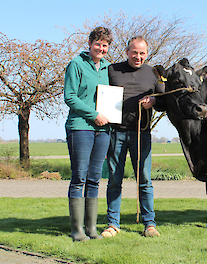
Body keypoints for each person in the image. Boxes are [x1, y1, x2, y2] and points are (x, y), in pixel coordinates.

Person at [101, 36, 165, 238]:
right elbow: (100, 94)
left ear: (147, 54)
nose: (138, 57)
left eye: (142, 53)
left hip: (142, 134)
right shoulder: (112, 70)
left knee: (144, 180)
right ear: (127, 52)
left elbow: (164, 100)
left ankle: (150, 224)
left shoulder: (153, 73)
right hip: (116, 133)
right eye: (134, 52)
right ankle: (113, 225)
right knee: (114, 180)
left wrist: (154, 100)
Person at [64, 27, 113, 242]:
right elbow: (70, 96)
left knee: (94, 179)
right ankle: (77, 230)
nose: (101, 48)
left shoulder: (108, 68)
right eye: (98, 43)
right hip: (80, 127)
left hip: (103, 130)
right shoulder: (76, 64)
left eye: (105, 45)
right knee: (79, 178)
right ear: (90, 43)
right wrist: (94, 115)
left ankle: (91, 228)